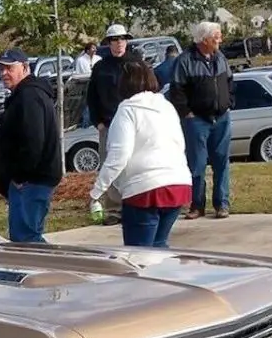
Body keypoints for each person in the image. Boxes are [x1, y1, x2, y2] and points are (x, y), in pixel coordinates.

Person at [89, 61, 192, 248]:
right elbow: (180, 144)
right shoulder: (166, 107)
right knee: (159, 246)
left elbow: (119, 155)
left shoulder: (127, 110)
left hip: (144, 189)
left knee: (138, 254)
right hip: (178, 183)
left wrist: (97, 191)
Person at [0, 48, 62, 243]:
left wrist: (21, 177)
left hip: (31, 182)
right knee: (27, 238)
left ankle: (57, 270)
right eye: (1, 69)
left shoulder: (29, 96)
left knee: (26, 242)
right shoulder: (23, 95)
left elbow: (33, 140)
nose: (4, 73)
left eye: (9, 68)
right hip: (30, 181)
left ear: (24, 67)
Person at [168, 21, 234, 220]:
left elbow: (230, 82)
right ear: (205, 40)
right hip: (197, 121)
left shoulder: (220, 57)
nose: (220, 40)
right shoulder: (185, 61)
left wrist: (229, 102)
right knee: (197, 165)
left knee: (222, 162)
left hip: (221, 118)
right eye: (216, 36)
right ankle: (197, 206)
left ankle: (222, 204)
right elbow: (176, 91)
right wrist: (187, 113)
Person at [86, 23, 143, 226]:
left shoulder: (137, 63)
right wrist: (98, 121)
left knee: (134, 163)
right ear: (109, 43)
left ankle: (135, 205)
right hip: (109, 124)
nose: (119, 43)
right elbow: (91, 96)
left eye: (122, 39)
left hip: (134, 123)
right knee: (109, 165)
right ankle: (113, 209)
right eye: (114, 40)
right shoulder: (101, 67)